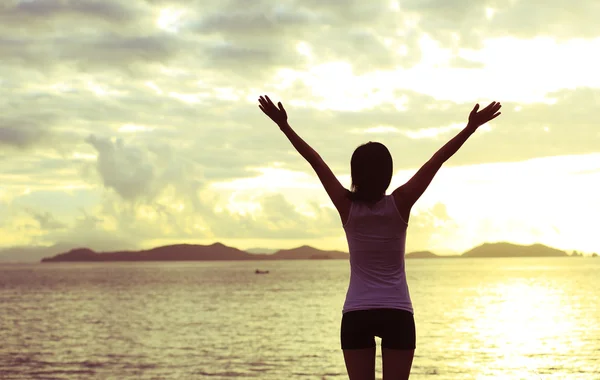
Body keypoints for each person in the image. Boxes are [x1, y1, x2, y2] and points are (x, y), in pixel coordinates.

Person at [258, 95, 501, 379]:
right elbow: (438, 159)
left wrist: (284, 126)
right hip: (397, 312)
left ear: (355, 174)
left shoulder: (346, 205)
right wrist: (470, 127)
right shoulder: (401, 202)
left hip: (356, 313)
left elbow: (315, 160)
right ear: (388, 174)